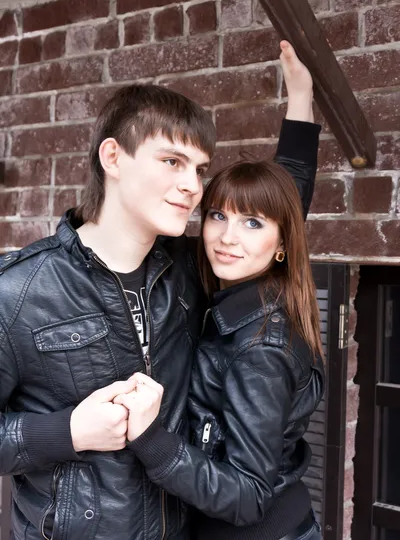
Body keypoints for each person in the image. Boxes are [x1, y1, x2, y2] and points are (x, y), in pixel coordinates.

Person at [0, 42, 320, 540]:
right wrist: (67, 432)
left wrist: (301, 101)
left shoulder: (190, 267)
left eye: (198, 169)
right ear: (113, 157)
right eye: (172, 161)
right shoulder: (17, 291)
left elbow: (280, 213)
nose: (193, 185)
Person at [114, 157, 325, 540]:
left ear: (282, 244)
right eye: (217, 216)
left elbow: (248, 497)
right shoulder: (245, 300)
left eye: (253, 222)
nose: (228, 237)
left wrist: (151, 439)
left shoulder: (261, 348)